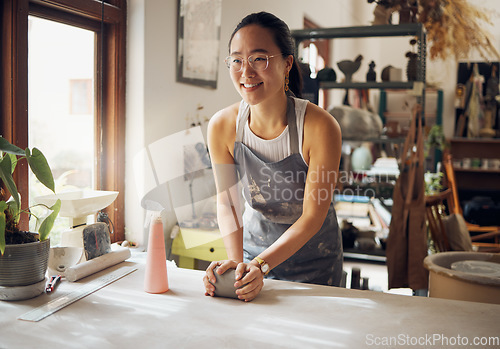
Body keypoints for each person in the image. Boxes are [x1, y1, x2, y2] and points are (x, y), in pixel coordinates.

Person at [204, 11, 343, 302]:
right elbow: (228, 202)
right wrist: (239, 266)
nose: (246, 72)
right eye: (237, 60)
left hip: (315, 263)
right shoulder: (222, 126)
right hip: (255, 252)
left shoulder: (320, 127)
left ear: (287, 63)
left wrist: (260, 265)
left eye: (258, 58)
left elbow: (312, 216)